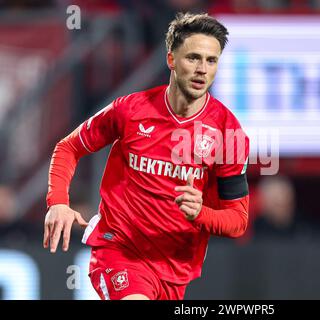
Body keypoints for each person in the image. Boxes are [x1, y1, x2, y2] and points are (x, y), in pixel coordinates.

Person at [43, 12, 250, 300]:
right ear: (171, 60)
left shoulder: (228, 132)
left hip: (174, 270)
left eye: (211, 60)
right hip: (119, 250)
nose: (202, 69)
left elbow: (237, 220)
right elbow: (69, 147)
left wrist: (199, 213)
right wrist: (58, 203)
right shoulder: (130, 110)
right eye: (193, 58)